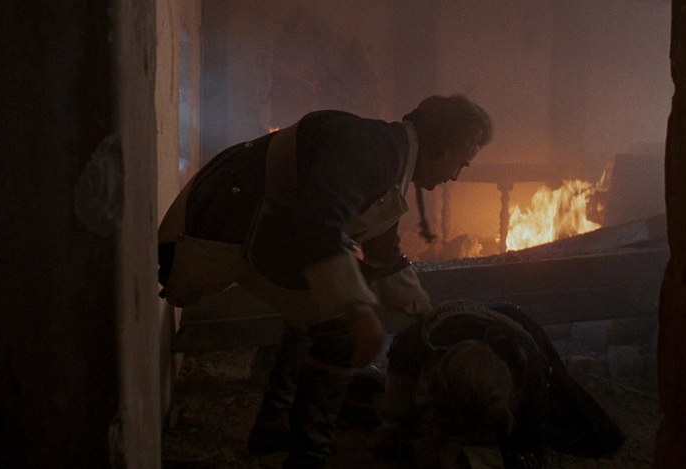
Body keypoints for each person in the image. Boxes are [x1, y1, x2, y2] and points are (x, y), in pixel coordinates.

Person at [157, 95, 493, 468]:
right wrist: (359, 312)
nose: (455, 176)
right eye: (460, 162)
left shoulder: (391, 155)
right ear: (441, 145)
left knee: (320, 300)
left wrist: (424, 314)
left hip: (234, 230)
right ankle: (308, 456)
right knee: (340, 325)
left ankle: (273, 426)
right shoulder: (379, 152)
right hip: (207, 234)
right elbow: (318, 225)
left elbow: (382, 257)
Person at [376, 300, 626, 469]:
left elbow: (529, 440)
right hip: (461, 327)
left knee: (578, 425)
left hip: (514, 323)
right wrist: (395, 425)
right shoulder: (421, 344)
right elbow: (400, 372)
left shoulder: (530, 377)